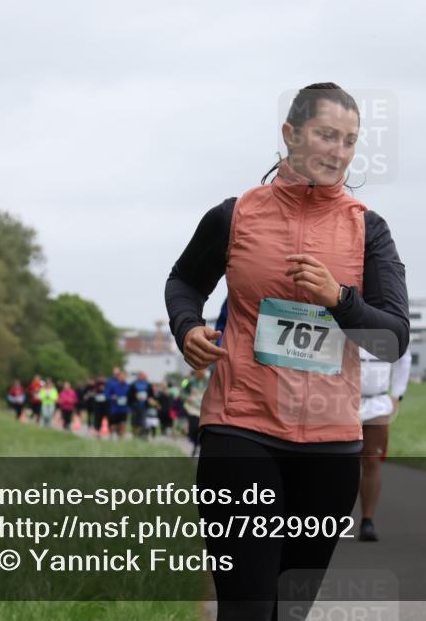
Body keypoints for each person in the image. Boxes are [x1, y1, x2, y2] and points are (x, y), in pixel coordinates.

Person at [165, 83, 409, 620]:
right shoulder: (235, 216)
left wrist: (340, 300)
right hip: (240, 426)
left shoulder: (368, 231)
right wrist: (188, 327)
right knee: (248, 607)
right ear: (290, 134)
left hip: (330, 447)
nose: (338, 152)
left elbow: (392, 340)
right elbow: (184, 280)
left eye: (349, 140)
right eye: (326, 135)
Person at [357, 346, 412, 542]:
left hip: (377, 403)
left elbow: (403, 358)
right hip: (343, 401)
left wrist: (397, 394)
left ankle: (367, 520)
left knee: (372, 460)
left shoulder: (388, 320)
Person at [183, 370, 208, 456]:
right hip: (193, 409)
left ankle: (200, 447)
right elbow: (183, 392)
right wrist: (186, 397)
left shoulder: (209, 381)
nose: (201, 372)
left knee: (201, 430)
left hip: (204, 409)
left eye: (203, 371)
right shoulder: (190, 382)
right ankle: (194, 445)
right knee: (193, 428)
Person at [106, 369, 130, 439]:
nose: (122, 378)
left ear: (126, 377)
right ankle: (112, 435)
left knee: (123, 424)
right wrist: (112, 397)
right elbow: (107, 395)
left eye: (124, 376)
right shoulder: (113, 385)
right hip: (115, 408)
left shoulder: (128, 387)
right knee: (114, 426)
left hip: (124, 409)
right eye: (121, 376)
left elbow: (131, 397)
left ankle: (121, 439)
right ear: (118, 377)